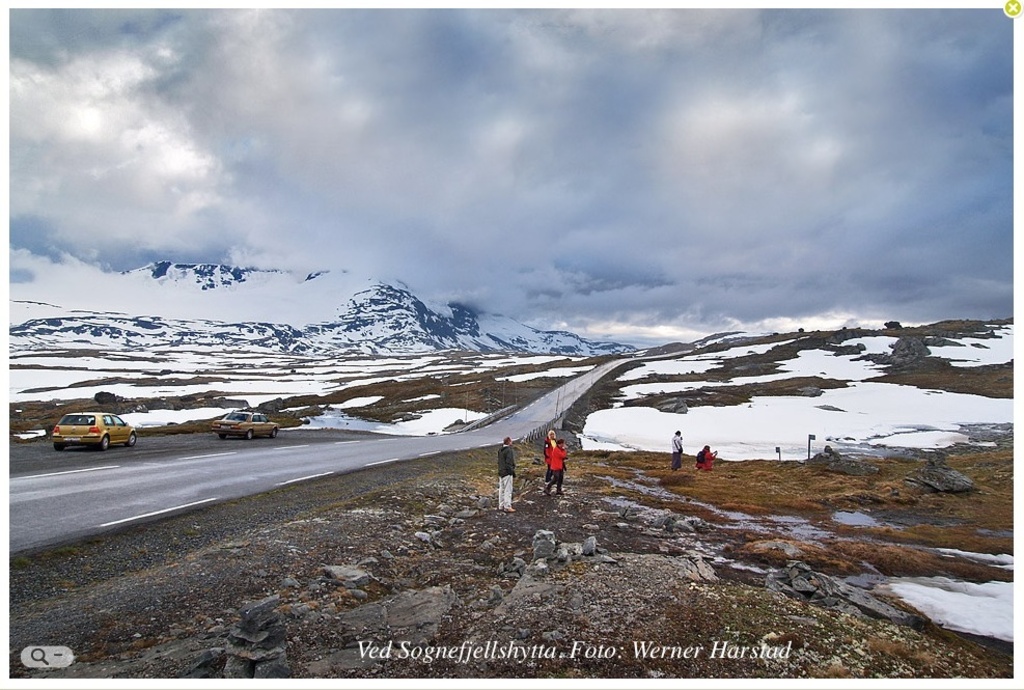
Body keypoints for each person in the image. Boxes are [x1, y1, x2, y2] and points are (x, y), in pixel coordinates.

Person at [497, 437, 516, 512]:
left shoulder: (500, 450)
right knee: (508, 490)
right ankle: (507, 506)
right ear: (509, 442)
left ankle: (501, 505)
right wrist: (512, 471)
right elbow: (509, 462)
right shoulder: (509, 451)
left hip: (501, 471)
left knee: (501, 489)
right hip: (507, 472)